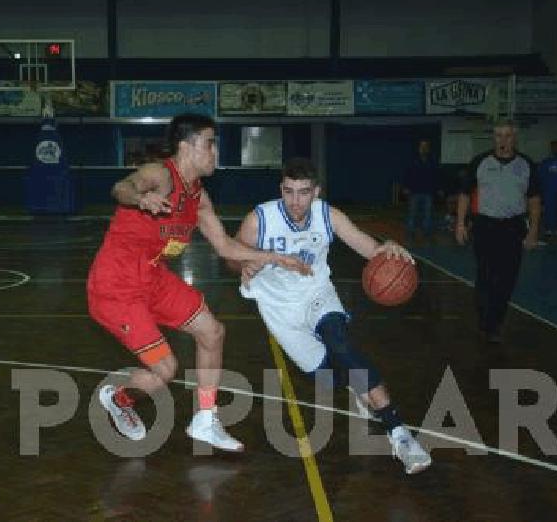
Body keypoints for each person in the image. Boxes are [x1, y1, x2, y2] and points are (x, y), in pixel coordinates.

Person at [88, 113, 310, 452]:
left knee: (212, 331)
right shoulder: (160, 175)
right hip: (116, 284)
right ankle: (118, 399)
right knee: (165, 370)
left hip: (152, 277)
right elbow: (122, 187)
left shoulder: (198, 199)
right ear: (186, 146)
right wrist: (141, 198)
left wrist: (276, 258)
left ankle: (206, 419)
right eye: (210, 143)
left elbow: (225, 246)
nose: (215, 152)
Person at [228, 157, 432, 475]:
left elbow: (367, 247)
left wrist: (388, 247)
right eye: (288, 191)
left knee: (340, 344)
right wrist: (244, 264)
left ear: (317, 191)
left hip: (316, 293)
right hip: (278, 308)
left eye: (304, 192)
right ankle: (355, 385)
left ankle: (399, 433)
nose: (295, 201)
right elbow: (231, 254)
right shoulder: (260, 219)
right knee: (324, 377)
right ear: (280, 189)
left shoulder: (328, 215)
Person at [456, 121, 541, 343]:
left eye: (508, 136)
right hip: (485, 227)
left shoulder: (526, 165)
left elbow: (534, 201)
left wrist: (533, 231)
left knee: (507, 278)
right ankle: (486, 321)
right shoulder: (480, 163)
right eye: (498, 136)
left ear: (515, 138)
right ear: (493, 138)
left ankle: (495, 322)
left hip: (513, 228)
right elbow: (465, 194)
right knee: (485, 275)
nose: (503, 140)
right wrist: (460, 224)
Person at [401, 139, 440, 240]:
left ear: (428, 148)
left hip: (428, 191)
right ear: (418, 148)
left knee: (428, 213)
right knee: (412, 213)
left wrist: (438, 188)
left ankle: (427, 232)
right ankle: (409, 233)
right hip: (414, 191)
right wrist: (406, 187)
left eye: (426, 146)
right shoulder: (412, 160)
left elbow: (435, 176)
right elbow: (407, 174)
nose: (423, 148)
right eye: (422, 146)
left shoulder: (432, 160)